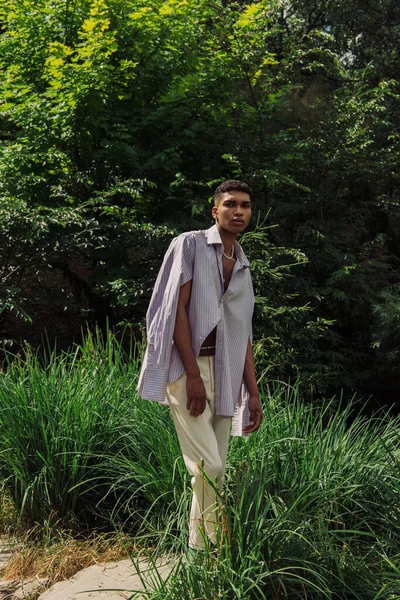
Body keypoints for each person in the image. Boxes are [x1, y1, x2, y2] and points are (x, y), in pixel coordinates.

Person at [138, 179, 263, 550]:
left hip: (226, 373)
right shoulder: (190, 244)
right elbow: (174, 309)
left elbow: (243, 334)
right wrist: (192, 375)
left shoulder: (242, 265)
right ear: (215, 210)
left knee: (210, 475)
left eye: (245, 205)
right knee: (211, 468)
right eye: (230, 204)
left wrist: (253, 393)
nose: (238, 211)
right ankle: (205, 550)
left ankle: (205, 555)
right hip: (188, 368)